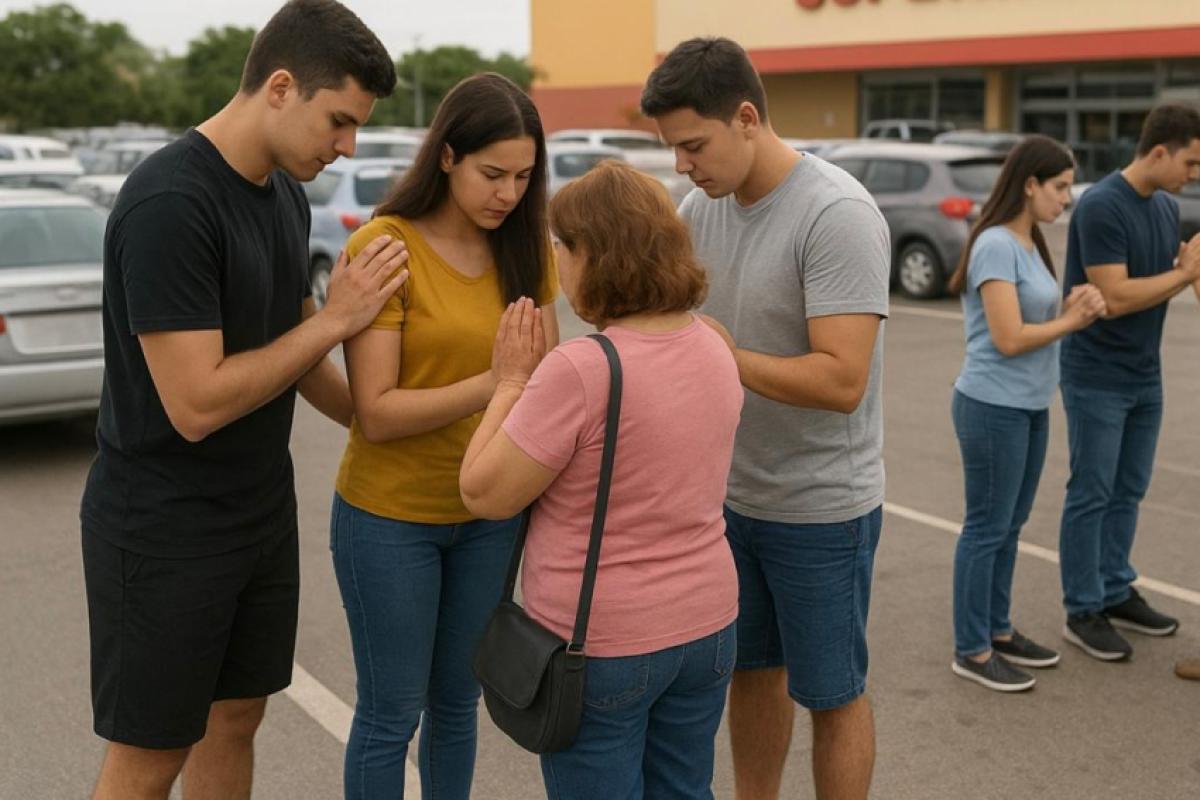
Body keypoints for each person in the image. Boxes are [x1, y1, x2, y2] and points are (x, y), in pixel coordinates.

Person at [79, 3, 402, 799]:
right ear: (281, 87)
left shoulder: (284, 196)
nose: (348, 146)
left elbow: (288, 348)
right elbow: (196, 402)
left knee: (237, 718)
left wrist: (380, 416)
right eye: (339, 121)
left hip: (257, 512)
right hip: (162, 527)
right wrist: (337, 319)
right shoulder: (171, 204)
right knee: (151, 756)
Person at [643, 37, 890, 800]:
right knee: (751, 675)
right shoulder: (698, 208)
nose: (683, 165)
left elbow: (842, 379)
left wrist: (722, 353)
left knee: (832, 693)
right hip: (728, 500)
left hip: (820, 507)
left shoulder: (837, 212)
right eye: (673, 150)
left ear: (746, 117)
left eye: (693, 144)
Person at [459, 159, 743, 800]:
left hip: (606, 643)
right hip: (709, 624)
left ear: (595, 254)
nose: (556, 260)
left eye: (562, 246)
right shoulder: (714, 341)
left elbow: (483, 492)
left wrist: (510, 381)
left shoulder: (583, 369)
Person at [330, 73, 559, 800]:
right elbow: (377, 411)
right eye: (494, 173)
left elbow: (545, 382)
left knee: (459, 705)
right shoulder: (385, 246)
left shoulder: (527, 250)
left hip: (490, 516)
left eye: (524, 177)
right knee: (391, 713)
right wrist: (496, 382)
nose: (509, 193)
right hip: (390, 518)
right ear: (449, 156)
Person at [944, 136, 1107, 692]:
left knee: (1009, 526)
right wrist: (1074, 322)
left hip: (1030, 404)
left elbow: (1032, 318)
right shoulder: (995, 244)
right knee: (987, 528)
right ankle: (971, 648)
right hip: (992, 405)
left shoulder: (1030, 241)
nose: (1067, 197)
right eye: (1060, 187)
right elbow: (1010, 338)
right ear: (1030, 184)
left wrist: (1071, 307)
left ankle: (999, 629)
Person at [1057, 104, 1200, 662]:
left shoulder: (1166, 206)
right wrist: (1184, 274)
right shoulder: (1101, 206)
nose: (1193, 174)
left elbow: (1166, 282)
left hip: (1146, 374)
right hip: (1097, 375)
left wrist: (1187, 277)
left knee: (1129, 488)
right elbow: (1114, 298)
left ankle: (1114, 588)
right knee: (1091, 492)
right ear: (1159, 151)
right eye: (1190, 162)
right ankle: (1082, 607)